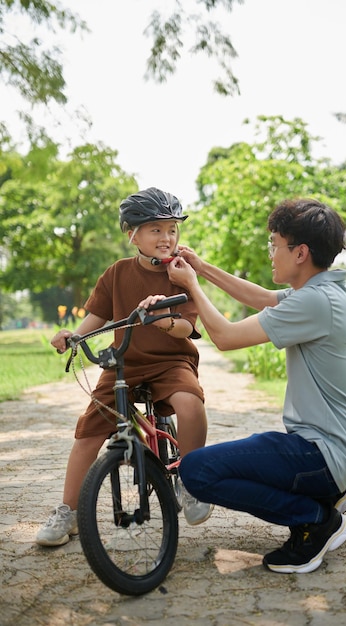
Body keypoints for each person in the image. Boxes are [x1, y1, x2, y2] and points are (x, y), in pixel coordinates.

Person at [160, 197, 346, 574]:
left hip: (318, 454)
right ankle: (330, 493)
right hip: (333, 450)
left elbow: (224, 337)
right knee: (243, 457)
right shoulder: (330, 291)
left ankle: (314, 520)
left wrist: (191, 284)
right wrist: (203, 269)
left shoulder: (315, 302)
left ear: (300, 252)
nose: (270, 252)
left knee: (197, 471)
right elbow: (261, 297)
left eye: (275, 244)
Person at [36, 187, 213, 547]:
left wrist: (159, 318)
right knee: (89, 431)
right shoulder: (117, 273)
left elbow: (185, 327)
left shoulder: (183, 273)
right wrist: (74, 336)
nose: (167, 237)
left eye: (172, 229)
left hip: (171, 361)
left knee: (190, 403)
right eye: (156, 229)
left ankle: (193, 483)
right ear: (131, 233)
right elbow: (98, 316)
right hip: (125, 363)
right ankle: (67, 511)